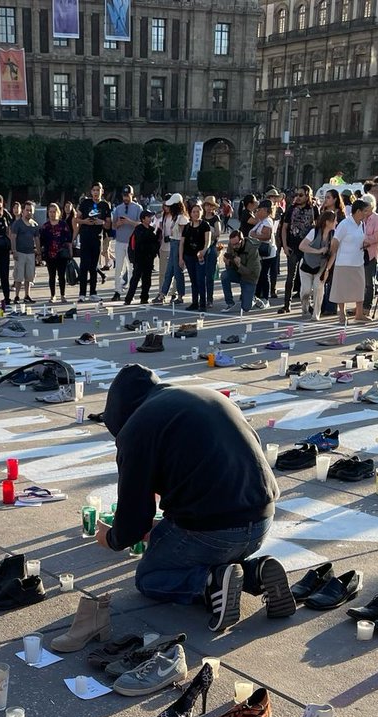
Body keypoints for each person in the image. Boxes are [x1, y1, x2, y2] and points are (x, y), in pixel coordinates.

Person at [93, 364, 285, 633]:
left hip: (214, 531)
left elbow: (134, 523)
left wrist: (111, 538)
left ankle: (211, 583)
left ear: (117, 414)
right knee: (180, 538)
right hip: (263, 518)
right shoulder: (205, 396)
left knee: (149, 577)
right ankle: (255, 573)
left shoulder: (136, 427)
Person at [324, 199, 369, 324]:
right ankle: (342, 314)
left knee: (359, 288)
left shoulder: (362, 224)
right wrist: (334, 254)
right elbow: (335, 241)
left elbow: (360, 238)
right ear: (358, 211)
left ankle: (359, 314)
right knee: (342, 289)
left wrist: (364, 244)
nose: (366, 214)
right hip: (344, 261)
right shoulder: (345, 223)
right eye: (365, 211)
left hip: (358, 261)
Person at [279, 186, 318, 314]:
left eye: (301, 195)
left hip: (307, 248)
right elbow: (284, 228)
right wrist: (285, 246)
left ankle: (308, 304)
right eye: (296, 195)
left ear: (308, 196)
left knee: (308, 277)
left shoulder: (314, 209)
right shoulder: (291, 208)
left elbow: (317, 228)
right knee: (290, 276)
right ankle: (286, 304)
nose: (297, 197)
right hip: (293, 247)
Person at [75, 182, 111, 301]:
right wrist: (85, 221)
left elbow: (108, 224)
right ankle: (82, 293)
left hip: (97, 238)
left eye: (98, 190)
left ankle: (93, 293)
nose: (96, 192)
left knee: (94, 266)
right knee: (84, 265)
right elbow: (76, 219)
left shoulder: (105, 205)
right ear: (91, 192)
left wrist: (101, 222)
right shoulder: (85, 203)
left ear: (102, 191)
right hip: (85, 237)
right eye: (94, 190)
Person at [297, 211, 336, 319]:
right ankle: (305, 305)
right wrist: (318, 251)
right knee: (306, 290)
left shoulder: (333, 235)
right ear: (328, 222)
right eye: (334, 220)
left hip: (322, 266)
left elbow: (333, 254)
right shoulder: (314, 232)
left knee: (318, 287)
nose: (336, 222)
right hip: (307, 264)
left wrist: (327, 269)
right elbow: (302, 246)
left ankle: (316, 313)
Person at [123, 208, 160, 305]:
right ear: (143, 219)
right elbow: (135, 243)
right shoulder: (138, 229)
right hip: (139, 259)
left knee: (147, 280)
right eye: (148, 217)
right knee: (135, 279)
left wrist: (154, 252)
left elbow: (156, 243)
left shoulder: (153, 230)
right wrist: (133, 259)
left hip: (149, 259)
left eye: (150, 217)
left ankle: (144, 298)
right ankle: (128, 299)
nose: (150, 218)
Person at [110, 185, 142, 300]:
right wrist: (117, 224)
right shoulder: (118, 208)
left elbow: (141, 224)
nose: (126, 198)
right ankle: (117, 291)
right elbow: (113, 225)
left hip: (132, 242)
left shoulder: (138, 208)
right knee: (118, 267)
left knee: (131, 268)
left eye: (127, 195)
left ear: (132, 195)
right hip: (120, 241)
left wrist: (129, 221)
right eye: (124, 196)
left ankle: (130, 292)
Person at [38, 202, 73, 303]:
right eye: (50, 212)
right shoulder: (45, 226)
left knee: (61, 275)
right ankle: (52, 295)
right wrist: (39, 254)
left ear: (58, 212)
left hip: (61, 254)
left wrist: (70, 252)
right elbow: (41, 241)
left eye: (54, 212)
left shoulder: (63, 224)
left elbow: (69, 240)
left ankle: (63, 295)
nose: (52, 214)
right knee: (51, 276)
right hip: (50, 254)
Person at [180, 201, 211, 312]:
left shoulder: (205, 225)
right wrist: (181, 258)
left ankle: (202, 303)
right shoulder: (187, 227)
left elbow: (208, 241)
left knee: (200, 279)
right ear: (190, 213)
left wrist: (203, 251)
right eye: (193, 212)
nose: (196, 214)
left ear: (201, 213)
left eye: (198, 211)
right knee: (193, 280)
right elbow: (182, 243)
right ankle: (194, 303)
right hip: (189, 256)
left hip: (200, 257)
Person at [220, 229, 260, 315]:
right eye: (232, 244)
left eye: (236, 244)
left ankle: (253, 298)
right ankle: (230, 303)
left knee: (246, 308)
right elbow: (229, 267)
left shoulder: (252, 249)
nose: (234, 246)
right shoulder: (231, 245)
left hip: (250, 276)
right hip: (237, 272)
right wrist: (228, 263)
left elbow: (249, 272)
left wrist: (239, 265)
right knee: (224, 275)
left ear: (242, 241)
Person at [156, 193, 186, 303]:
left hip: (178, 244)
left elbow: (184, 237)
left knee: (178, 271)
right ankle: (163, 294)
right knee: (169, 271)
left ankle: (180, 295)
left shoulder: (182, 218)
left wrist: (181, 256)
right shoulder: (175, 217)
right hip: (173, 243)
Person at [9, 200, 39, 304]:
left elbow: (37, 239)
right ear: (23, 211)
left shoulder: (34, 225)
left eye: (31, 210)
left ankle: (27, 295)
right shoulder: (17, 224)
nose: (29, 212)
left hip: (31, 253)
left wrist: (38, 254)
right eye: (27, 210)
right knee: (19, 276)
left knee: (29, 277)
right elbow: (13, 237)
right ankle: (17, 296)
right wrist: (14, 251)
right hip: (20, 253)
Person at [359, 194, 378, 312]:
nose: (365, 208)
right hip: (358, 253)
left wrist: (363, 241)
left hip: (371, 253)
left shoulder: (377, 218)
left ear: (372, 205)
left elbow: (376, 237)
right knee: (360, 282)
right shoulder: (359, 218)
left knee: (369, 282)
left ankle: (367, 307)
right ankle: (358, 306)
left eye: (367, 205)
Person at [249, 200, 276, 306]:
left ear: (265, 210)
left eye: (259, 210)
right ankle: (258, 296)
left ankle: (265, 297)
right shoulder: (262, 221)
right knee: (260, 275)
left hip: (267, 253)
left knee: (264, 275)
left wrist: (254, 235)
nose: (257, 212)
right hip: (260, 252)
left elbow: (267, 236)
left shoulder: (267, 221)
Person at [201, 196, 224, 308]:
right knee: (200, 274)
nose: (209, 207)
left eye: (211, 205)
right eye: (207, 205)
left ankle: (209, 299)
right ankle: (201, 298)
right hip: (200, 248)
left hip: (211, 247)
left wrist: (208, 233)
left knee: (209, 275)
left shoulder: (216, 218)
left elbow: (218, 233)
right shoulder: (200, 217)